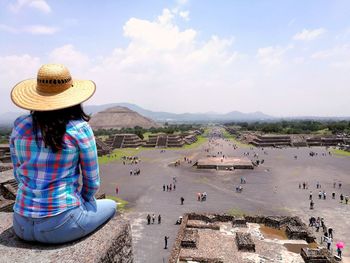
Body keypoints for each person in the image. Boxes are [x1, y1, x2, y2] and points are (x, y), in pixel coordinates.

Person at [9, 64, 116, 244]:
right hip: (60, 225)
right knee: (111, 205)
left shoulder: (20, 125)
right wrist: (82, 203)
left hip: (21, 224)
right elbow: (92, 182)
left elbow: (18, 174)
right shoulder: (79, 129)